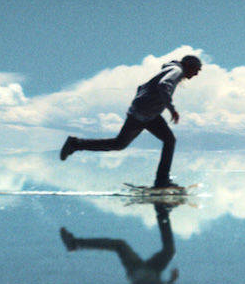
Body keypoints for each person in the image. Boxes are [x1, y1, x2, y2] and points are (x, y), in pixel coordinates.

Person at [60, 55, 201, 188]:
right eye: (196, 70)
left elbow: (143, 87)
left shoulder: (172, 69)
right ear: (189, 65)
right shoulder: (176, 70)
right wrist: (172, 109)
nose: (196, 74)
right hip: (142, 113)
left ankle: (75, 144)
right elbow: (163, 85)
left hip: (149, 114)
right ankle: (162, 180)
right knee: (128, 143)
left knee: (124, 144)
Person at [59, 203, 200, 284]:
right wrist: (171, 283)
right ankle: (162, 212)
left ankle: (75, 244)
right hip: (151, 275)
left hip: (141, 275)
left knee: (120, 245)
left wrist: (171, 281)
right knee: (169, 251)